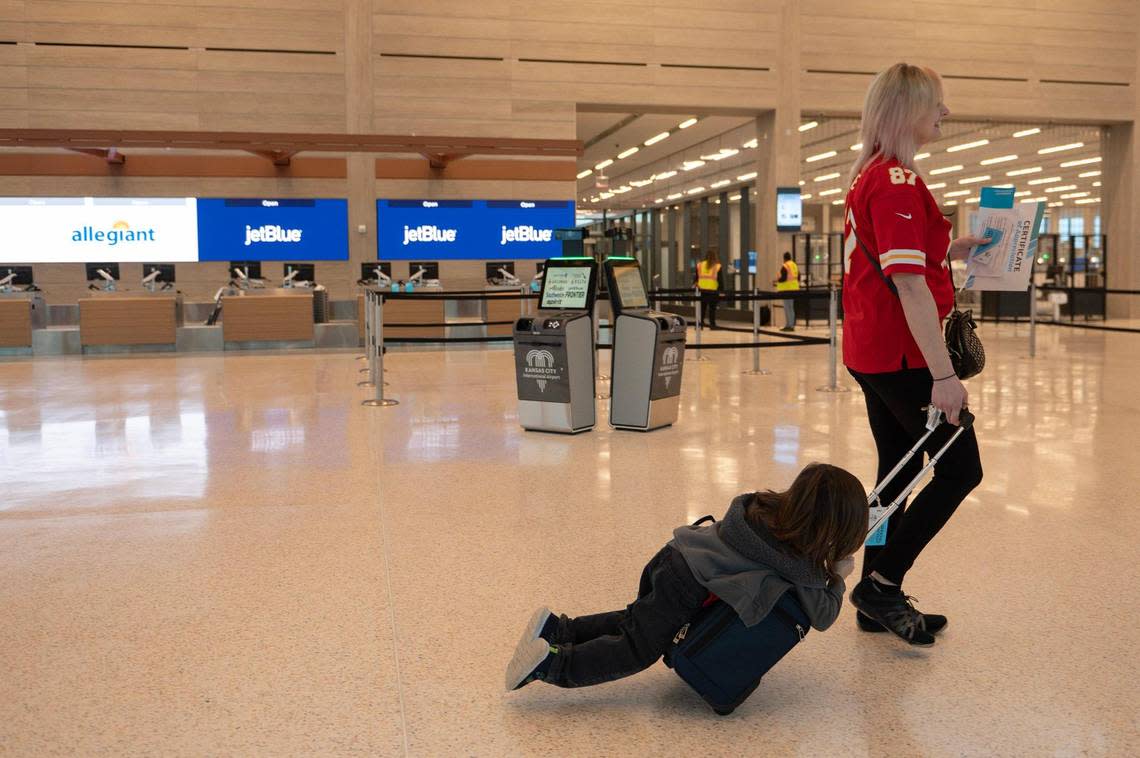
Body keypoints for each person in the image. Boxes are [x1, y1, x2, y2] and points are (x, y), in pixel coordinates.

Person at [842, 63, 988, 647]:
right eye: (937, 103)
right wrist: (944, 375)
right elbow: (908, 287)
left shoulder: (869, 176)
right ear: (908, 111)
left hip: (870, 351)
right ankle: (880, 583)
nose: (944, 113)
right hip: (903, 359)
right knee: (960, 468)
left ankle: (874, 598)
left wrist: (948, 248)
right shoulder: (898, 181)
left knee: (895, 473)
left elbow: (894, 261)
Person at [505, 463, 867, 692]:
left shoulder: (762, 510)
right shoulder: (795, 560)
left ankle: (557, 629)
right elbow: (822, 615)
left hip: (677, 553)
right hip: (687, 586)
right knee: (636, 649)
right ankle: (551, 664)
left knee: (636, 621)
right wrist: (836, 576)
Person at [773, 251, 800, 331]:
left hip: (786, 290)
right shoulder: (794, 265)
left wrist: (777, 281)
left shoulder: (785, 266)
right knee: (791, 307)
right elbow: (798, 276)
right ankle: (791, 325)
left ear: (784, 258)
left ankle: (789, 325)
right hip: (794, 289)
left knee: (787, 307)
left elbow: (783, 278)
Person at [695, 249, 721, 329]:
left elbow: (696, 278)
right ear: (715, 257)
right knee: (712, 309)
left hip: (701, 291)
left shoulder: (699, 265)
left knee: (702, 309)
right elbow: (720, 280)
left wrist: (696, 286)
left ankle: (700, 325)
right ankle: (712, 325)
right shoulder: (717, 266)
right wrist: (721, 291)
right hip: (713, 291)